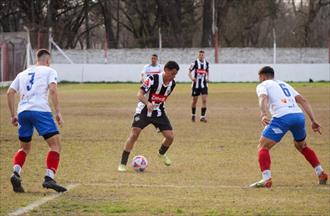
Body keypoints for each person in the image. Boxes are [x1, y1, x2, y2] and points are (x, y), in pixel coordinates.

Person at [249, 66, 328, 188]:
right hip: (298, 116)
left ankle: (266, 178)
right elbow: (303, 100)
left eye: (259, 77)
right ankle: (320, 172)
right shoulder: (284, 84)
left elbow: (262, 98)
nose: (259, 80)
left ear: (263, 76)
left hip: (282, 118)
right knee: (301, 146)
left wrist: (264, 114)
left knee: (263, 146)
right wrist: (313, 120)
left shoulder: (263, 85)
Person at [7, 49, 67, 193]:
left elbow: (10, 92)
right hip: (40, 111)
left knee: (24, 148)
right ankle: (49, 177)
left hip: (23, 112)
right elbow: (52, 90)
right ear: (48, 60)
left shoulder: (22, 73)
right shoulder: (49, 71)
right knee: (55, 145)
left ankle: (16, 173)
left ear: (37, 60)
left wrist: (12, 115)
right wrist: (58, 111)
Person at [118, 61, 180, 172]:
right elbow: (139, 94)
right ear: (165, 70)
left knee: (170, 137)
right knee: (134, 134)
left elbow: (163, 98)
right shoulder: (152, 79)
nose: (173, 76)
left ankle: (161, 153)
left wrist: (157, 105)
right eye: (172, 73)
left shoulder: (172, 84)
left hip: (158, 112)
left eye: (175, 74)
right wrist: (148, 103)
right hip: (144, 109)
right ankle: (122, 163)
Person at [188, 50, 209, 122]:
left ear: (204, 55)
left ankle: (202, 117)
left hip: (204, 85)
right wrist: (192, 78)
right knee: (194, 101)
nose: (201, 56)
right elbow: (189, 72)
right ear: (198, 55)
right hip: (196, 85)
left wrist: (207, 78)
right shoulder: (195, 63)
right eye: (200, 55)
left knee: (204, 100)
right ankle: (193, 115)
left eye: (202, 55)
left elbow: (207, 71)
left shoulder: (206, 63)